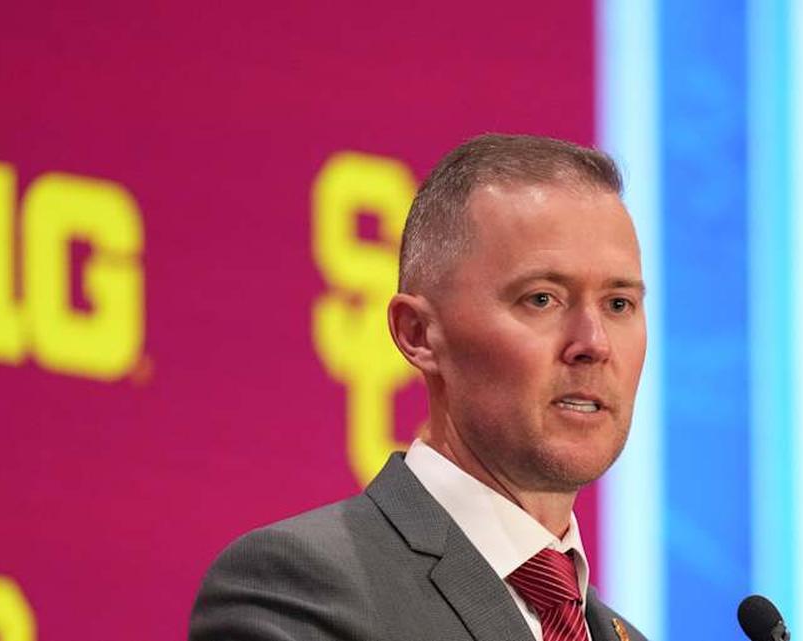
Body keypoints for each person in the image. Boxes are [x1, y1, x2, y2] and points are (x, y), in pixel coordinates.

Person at [189, 134, 650, 641]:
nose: (593, 343)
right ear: (418, 334)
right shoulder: (300, 588)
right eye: (541, 299)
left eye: (619, 304)